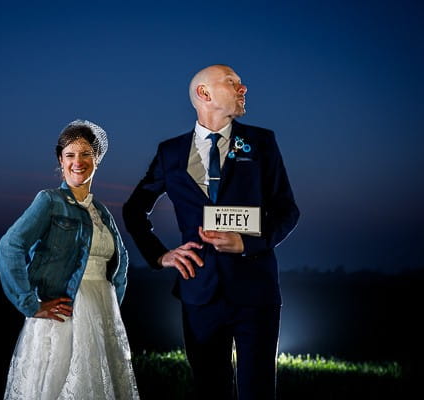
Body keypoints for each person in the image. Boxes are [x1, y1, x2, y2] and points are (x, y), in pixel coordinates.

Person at [122, 65, 299, 400]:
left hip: (256, 292)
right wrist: (161, 255)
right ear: (204, 94)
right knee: (209, 390)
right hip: (199, 291)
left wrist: (246, 242)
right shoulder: (170, 152)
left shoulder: (261, 142)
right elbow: (134, 209)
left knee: (258, 392)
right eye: (232, 82)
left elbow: (288, 211)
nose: (243, 87)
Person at [0, 120, 139, 400]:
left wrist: (111, 311)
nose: (78, 161)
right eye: (70, 155)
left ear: (97, 159)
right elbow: (9, 247)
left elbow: (118, 268)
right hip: (63, 317)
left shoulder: (102, 212)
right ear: (60, 161)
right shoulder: (50, 201)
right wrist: (30, 304)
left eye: (86, 153)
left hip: (102, 317)